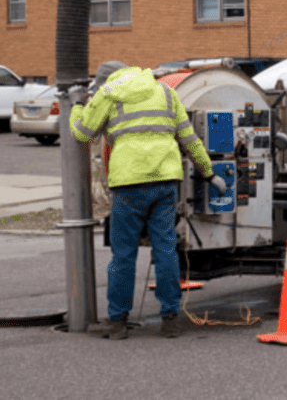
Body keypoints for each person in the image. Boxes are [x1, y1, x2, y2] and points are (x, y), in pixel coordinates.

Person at [71, 61, 225, 339]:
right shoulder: (164, 92)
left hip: (129, 183)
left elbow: (82, 132)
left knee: (124, 254)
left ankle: (118, 321)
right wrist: (209, 173)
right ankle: (170, 318)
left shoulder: (109, 93)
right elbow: (189, 139)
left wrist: (77, 106)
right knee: (165, 249)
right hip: (165, 181)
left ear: (106, 80)